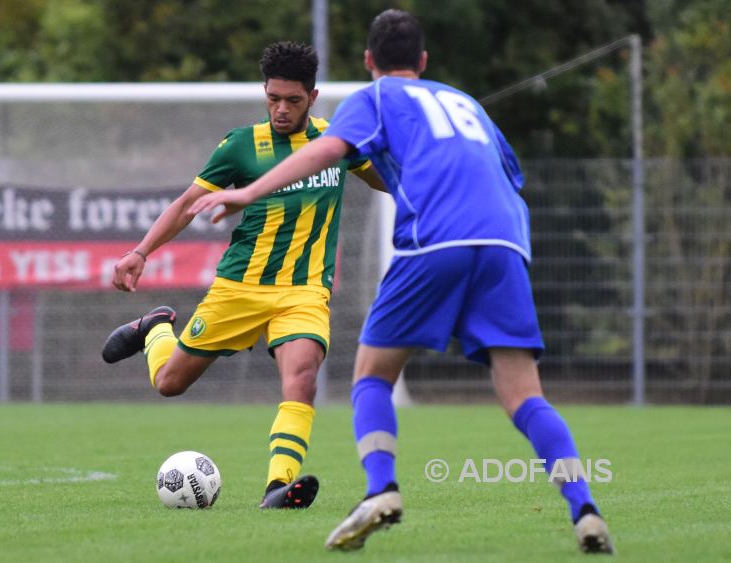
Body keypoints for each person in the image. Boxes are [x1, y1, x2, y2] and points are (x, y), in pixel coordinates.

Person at [189, 10, 614, 555]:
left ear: (369, 62)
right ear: (424, 62)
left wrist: (248, 193)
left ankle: (380, 490)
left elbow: (328, 149)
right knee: (524, 394)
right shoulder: (468, 104)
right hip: (507, 244)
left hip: (437, 241)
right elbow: (509, 175)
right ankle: (584, 509)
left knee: (371, 374)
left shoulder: (375, 98)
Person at [101, 41, 385, 510]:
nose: (280, 108)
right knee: (170, 384)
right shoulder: (240, 145)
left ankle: (278, 486)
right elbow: (187, 205)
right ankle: (155, 329)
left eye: (292, 100)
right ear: (264, 92)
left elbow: (385, 179)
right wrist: (141, 251)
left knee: (302, 378)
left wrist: (401, 156)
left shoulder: (336, 142)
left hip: (304, 291)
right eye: (273, 98)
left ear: (312, 98)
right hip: (239, 289)